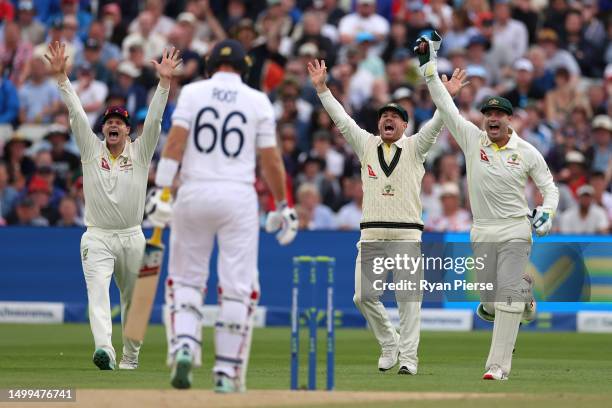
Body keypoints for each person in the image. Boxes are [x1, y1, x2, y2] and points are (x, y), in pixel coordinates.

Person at [145, 39, 297, 392]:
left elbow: (175, 143)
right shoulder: (257, 100)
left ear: (211, 65)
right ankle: (226, 373)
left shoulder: (194, 93)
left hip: (194, 192)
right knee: (237, 287)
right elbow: (271, 160)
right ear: (245, 69)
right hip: (238, 195)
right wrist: (282, 204)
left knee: (185, 280)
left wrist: (163, 190)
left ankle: (184, 344)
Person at [308, 57, 465, 375]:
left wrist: (446, 95)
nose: (388, 120)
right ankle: (389, 343)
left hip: (407, 235)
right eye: (385, 117)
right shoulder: (366, 144)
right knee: (363, 296)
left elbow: (440, 121)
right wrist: (323, 89)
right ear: (379, 124)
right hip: (372, 235)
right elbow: (342, 120)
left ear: (405, 125)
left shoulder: (416, 146)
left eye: (395, 117)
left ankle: (409, 358)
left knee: (409, 301)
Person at [416, 32, 559, 381]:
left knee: (505, 297)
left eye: (499, 114)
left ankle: (497, 368)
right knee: (491, 303)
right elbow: (445, 106)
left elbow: (549, 187)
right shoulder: (471, 139)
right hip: (482, 230)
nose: (492, 119)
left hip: (514, 228)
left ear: (510, 120)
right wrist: (427, 67)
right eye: (488, 113)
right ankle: (525, 296)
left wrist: (547, 212)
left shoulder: (526, 151)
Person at [46, 41, 181, 371]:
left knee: (135, 302)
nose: (114, 125)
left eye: (120, 121)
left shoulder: (140, 151)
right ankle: (104, 348)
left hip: (133, 237)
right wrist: (63, 78)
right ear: (103, 128)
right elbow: (77, 113)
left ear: (127, 129)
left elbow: (155, 120)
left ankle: (131, 357)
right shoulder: (91, 151)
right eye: (109, 121)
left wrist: (164, 83)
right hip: (97, 237)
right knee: (98, 293)